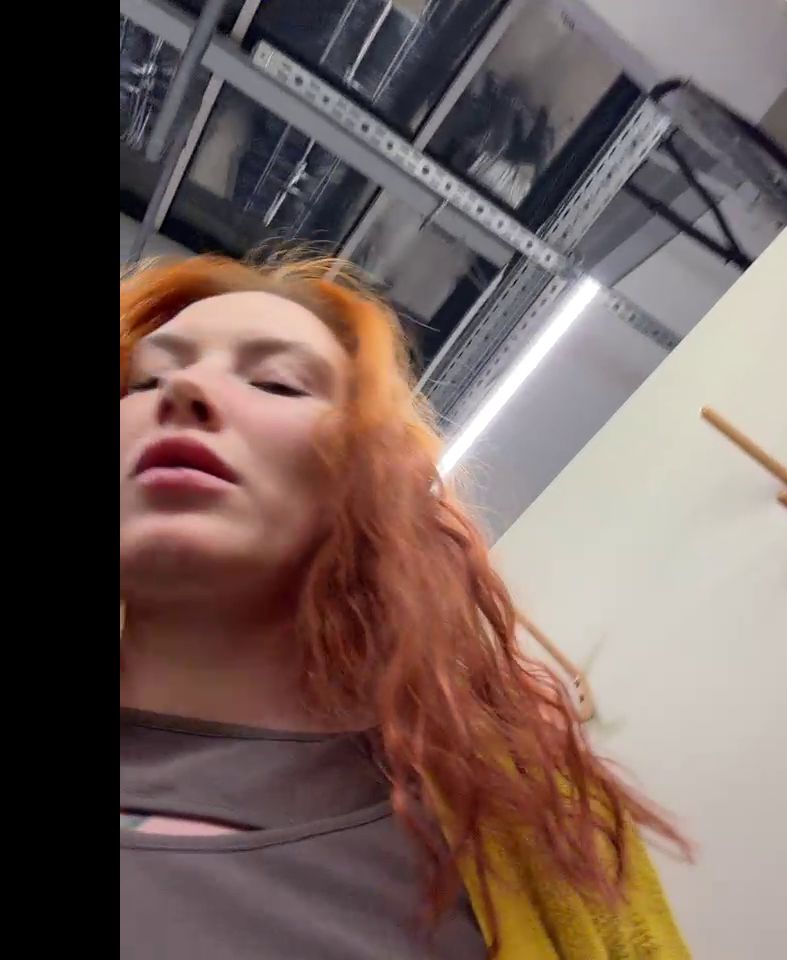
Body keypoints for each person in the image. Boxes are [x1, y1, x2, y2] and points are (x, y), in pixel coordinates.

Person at [120, 253, 692, 959]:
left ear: (368, 487)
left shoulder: (513, 822)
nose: (184, 390)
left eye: (277, 382)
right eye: (146, 379)